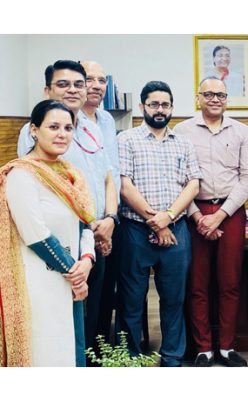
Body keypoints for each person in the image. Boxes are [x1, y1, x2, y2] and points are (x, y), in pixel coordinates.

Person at [16, 60, 117, 365]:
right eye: (63, 84)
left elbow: (106, 180)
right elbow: (36, 215)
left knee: (91, 318)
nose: (62, 134)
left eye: (78, 84)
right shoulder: (27, 156)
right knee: (53, 333)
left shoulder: (91, 129)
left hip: (91, 238)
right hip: (53, 253)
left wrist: (108, 221)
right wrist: (77, 266)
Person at [1, 100, 95, 366]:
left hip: (72, 275)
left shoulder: (71, 174)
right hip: (39, 282)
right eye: (53, 126)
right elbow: (36, 235)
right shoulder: (20, 175)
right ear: (34, 130)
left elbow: (85, 222)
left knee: (69, 348)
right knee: (48, 349)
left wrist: (86, 261)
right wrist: (77, 276)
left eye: (68, 127)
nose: (62, 133)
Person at [118, 81, 201, 367]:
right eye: (154, 104)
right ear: (143, 106)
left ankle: (172, 356)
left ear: (171, 108)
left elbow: (193, 185)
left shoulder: (184, 143)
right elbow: (124, 186)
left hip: (176, 231)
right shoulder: (126, 139)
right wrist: (156, 221)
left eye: (165, 104)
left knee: (174, 299)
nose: (160, 109)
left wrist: (168, 217)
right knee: (131, 299)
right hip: (135, 231)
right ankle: (129, 356)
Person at [174, 77, 248, 367]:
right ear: (198, 98)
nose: (214, 99)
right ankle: (204, 347)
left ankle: (227, 347)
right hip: (192, 213)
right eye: (208, 94)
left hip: (230, 212)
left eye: (220, 94)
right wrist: (197, 217)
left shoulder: (242, 131)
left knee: (230, 283)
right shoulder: (181, 131)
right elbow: (178, 179)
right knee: (197, 284)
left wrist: (220, 216)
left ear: (227, 99)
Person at [79, 60, 121, 354]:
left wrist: (110, 219)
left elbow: (111, 174)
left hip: (108, 222)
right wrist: (92, 226)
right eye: (88, 79)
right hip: (78, 227)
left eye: (101, 80)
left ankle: (99, 353)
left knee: (105, 295)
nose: (95, 85)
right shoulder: (55, 121)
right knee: (80, 299)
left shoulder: (106, 120)